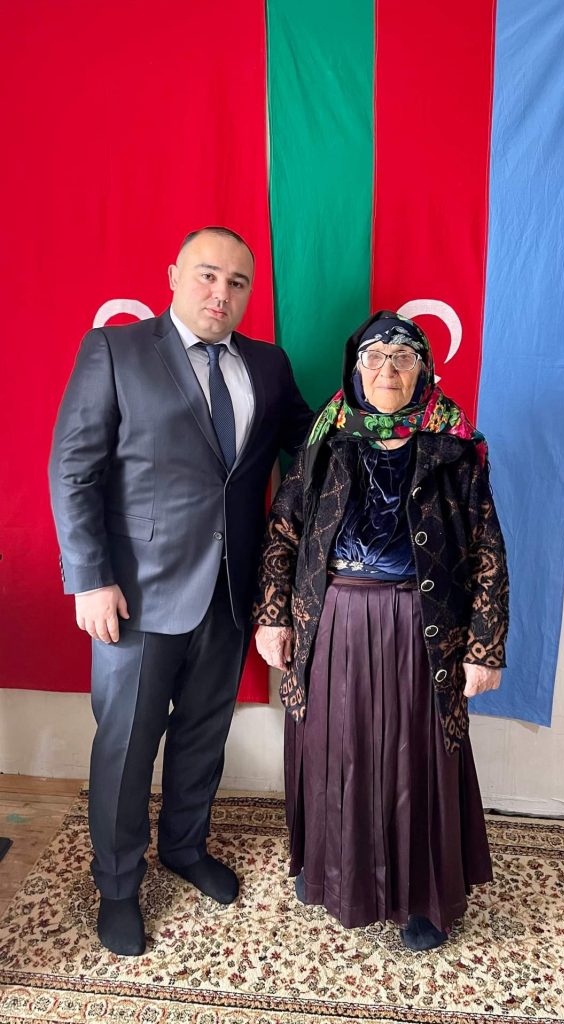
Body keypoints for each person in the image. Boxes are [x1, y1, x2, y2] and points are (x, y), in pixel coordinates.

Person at [49, 226, 312, 956]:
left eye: (236, 282)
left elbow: (309, 442)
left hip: (230, 593)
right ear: (173, 275)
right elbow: (73, 470)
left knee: (202, 734)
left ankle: (184, 848)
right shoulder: (116, 350)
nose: (220, 293)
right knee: (126, 748)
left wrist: (390, 428)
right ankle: (117, 886)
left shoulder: (268, 363)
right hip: (135, 598)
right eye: (206, 275)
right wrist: (90, 579)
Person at [254, 311, 508, 951]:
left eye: (402, 357)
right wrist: (272, 615)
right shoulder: (325, 440)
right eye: (373, 357)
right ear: (355, 368)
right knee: (335, 748)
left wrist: (484, 648)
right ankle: (333, 873)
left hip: (422, 626)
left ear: (424, 369)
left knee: (413, 757)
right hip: (332, 621)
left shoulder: (455, 447)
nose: (387, 369)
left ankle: (422, 899)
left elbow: (487, 550)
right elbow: (283, 532)